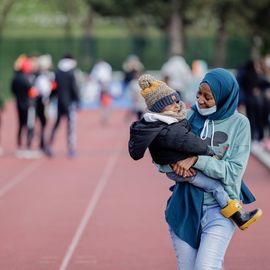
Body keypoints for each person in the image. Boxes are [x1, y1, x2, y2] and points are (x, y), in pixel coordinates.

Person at [129, 69, 261, 269]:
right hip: (184, 206)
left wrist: (196, 160)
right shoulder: (185, 116)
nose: (200, 100)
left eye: (208, 97)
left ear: (224, 96)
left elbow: (233, 171)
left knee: (206, 267)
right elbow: (160, 156)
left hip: (221, 210)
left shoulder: (240, 124)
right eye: (199, 93)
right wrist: (173, 164)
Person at [46, 54, 80, 157]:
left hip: (59, 103)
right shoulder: (71, 73)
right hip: (69, 103)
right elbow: (74, 88)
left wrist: (51, 98)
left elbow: (53, 87)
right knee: (71, 127)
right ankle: (71, 148)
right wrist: (78, 100)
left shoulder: (57, 72)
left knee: (56, 125)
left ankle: (50, 145)